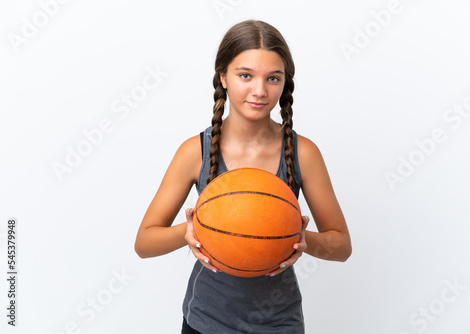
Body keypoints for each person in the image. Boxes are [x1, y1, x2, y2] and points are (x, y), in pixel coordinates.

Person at [134, 19, 352, 334]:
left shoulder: (303, 152)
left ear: (284, 83)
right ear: (223, 76)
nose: (260, 91)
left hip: (279, 322)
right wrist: (193, 231)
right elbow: (144, 242)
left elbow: (342, 247)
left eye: (273, 78)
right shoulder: (195, 151)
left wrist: (304, 240)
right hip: (206, 321)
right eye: (245, 75)